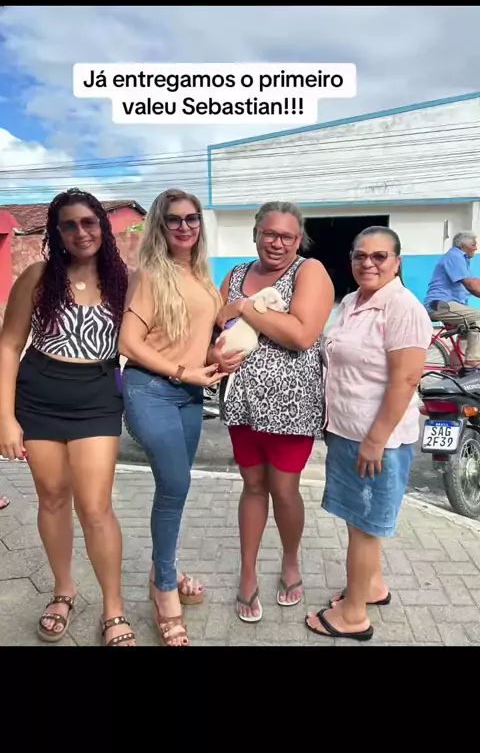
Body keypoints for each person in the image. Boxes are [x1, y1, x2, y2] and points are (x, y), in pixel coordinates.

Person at [0, 188, 136, 647]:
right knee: (53, 498)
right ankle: (63, 591)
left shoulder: (125, 281)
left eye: (88, 222)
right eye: (69, 225)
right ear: (56, 233)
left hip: (97, 398)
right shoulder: (39, 277)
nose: (80, 232)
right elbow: (8, 345)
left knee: (95, 507)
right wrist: (4, 417)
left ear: (103, 227)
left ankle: (113, 608)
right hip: (37, 396)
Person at [305, 226, 432, 642]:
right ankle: (371, 586)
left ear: (397, 262)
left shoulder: (403, 307)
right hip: (347, 430)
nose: (368, 263)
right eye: (361, 255)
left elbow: (406, 379)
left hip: (376, 440)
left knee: (364, 528)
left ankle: (353, 615)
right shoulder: (352, 301)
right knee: (357, 520)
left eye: (380, 256)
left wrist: (375, 440)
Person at [119, 188, 231, 647]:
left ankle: (162, 569)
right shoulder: (151, 274)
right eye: (174, 219)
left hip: (189, 394)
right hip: (151, 390)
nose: (185, 227)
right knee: (176, 484)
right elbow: (128, 342)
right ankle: (164, 589)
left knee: (175, 490)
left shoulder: (202, 276)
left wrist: (214, 357)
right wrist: (183, 370)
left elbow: (197, 338)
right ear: (160, 227)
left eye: (192, 218)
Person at [216, 201, 334, 623]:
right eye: (269, 233)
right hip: (242, 403)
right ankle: (247, 574)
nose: (277, 243)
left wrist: (244, 308)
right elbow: (214, 325)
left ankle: (290, 560)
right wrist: (216, 347)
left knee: (284, 489)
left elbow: (301, 335)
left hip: (292, 406)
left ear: (298, 240)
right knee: (252, 486)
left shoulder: (309, 271)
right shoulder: (236, 274)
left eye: (287, 236)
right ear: (256, 234)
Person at [424, 231, 480, 368]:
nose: (476, 248)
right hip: (442, 305)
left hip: (446, 304)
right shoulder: (455, 257)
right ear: (463, 246)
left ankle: (455, 368)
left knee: (467, 330)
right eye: (473, 245)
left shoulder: (461, 259)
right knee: (478, 318)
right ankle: (473, 361)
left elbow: (474, 282)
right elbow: (471, 285)